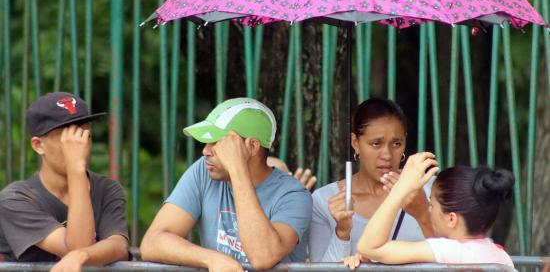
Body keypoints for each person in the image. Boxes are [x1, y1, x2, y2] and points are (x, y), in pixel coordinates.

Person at [140, 98, 312, 270]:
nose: (205, 150)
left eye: (218, 142)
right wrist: (212, 259)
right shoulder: (203, 171)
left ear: (252, 146)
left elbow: (263, 257)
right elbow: (152, 242)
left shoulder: (294, 195)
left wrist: (237, 168)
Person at [0, 92, 129, 271]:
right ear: (38, 145)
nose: (78, 146)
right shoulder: (14, 199)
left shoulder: (107, 189)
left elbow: (119, 246)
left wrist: (82, 256)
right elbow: (77, 245)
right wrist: (76, 169)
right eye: (66, 138)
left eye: (83, 135)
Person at [309, 98, 433, 262]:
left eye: (396, 143)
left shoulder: (427, 188)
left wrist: (423, 214)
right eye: (376, 144)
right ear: (355, 143)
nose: (387, 155)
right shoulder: (324, 200)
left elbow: (457, 257)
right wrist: (342, 232)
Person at [344, 155, 514, 269]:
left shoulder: (451, 250)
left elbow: (369, 247)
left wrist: (401, 189)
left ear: (452, 219)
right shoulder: (500, 256)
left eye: (431, 204)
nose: (427, 208)